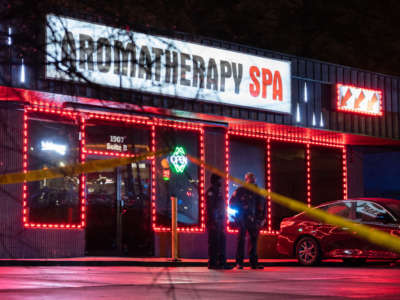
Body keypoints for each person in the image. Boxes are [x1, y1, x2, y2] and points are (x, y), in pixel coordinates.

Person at [230, 172, 266, 269]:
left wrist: (263, 218)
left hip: (254, 220)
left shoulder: (258, 192)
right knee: (241, 241)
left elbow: (263, 205)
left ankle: (253, 263)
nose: (252, 180)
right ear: (246, 180)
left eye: (253, 179)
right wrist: (236, 217)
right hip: (242, 219)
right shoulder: (240, 191)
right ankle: (239, 263)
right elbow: (232, 204)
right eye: (250, 179)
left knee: (253, 242)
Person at [206, 173, 231, 269]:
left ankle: (221, 262)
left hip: (219, 221)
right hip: (215, 222)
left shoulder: (218, 191)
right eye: (219, 180)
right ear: (215, 181)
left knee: (221, 242)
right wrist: (214, 221)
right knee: (214, 243)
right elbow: (211, 208)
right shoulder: (211, 192)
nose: (221, 182)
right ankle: (213, 263)